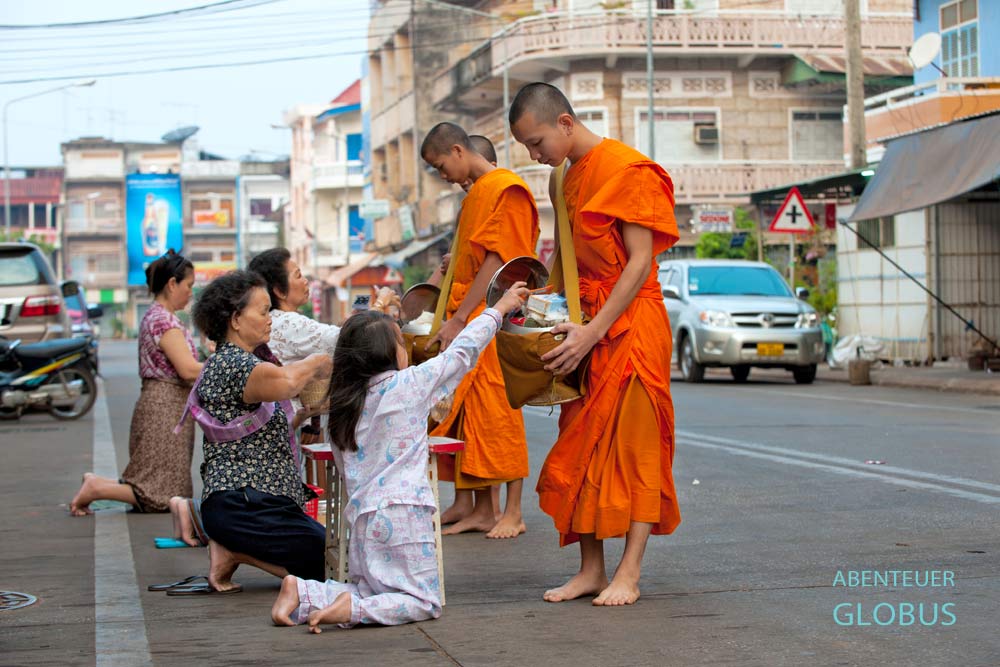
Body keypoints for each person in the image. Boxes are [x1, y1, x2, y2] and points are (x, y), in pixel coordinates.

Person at [270, 283, 530, 633]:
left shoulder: (345, 406)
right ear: (392, 353)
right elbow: (464, 351)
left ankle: (305, 592)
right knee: (423, 601)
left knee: (373, 589)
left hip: (362, 518)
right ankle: (350, 608)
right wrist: (497, 310)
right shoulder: (409, 385)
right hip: (404, 515)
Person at [509, 82, 681, 606]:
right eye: (528, 150)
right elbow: (565, 252)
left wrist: (593, 331)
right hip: (585, 323)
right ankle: (590, 569)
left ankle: (628, 573)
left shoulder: (628, 170)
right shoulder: (563, 178)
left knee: (634, 451)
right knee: (579, 445)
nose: (536, 157)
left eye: (538, 143)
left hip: (630, 326)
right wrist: (541, 304)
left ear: (564, 123)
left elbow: (639, 263)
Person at [419, 122, 539, 539]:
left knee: (499, 413)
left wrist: (460, 317)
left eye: (439, 166)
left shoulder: (506, 188)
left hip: (493, 313)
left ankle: (514, 512)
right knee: (472, 416)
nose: (441, 176)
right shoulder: (478, 195)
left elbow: (498, 261)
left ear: (457, 150)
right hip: (471, 314)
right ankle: (483, 510)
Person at [184, 270, 332, 593]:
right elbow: (289, 382)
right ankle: (232, 550)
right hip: (243, 504)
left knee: (334, 556)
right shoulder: (234, 365)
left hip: (257, 502)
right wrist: (318, 361)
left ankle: (234, 551)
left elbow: (260, 430)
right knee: (331, 560)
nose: (270, 320)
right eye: (264, 312)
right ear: (236, 319)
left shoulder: (241, 362)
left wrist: (307, 413)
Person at [70, 250, 202, 516]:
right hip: (164, 407)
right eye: (189, 285)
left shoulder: (160, 317)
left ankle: (97, 484)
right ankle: (96, 488)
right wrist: (227, 367)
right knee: (160, 495)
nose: (191, 292)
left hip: (166, 405)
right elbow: (188, 370)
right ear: (172, 284)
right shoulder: (163, 321)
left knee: (161, 486)